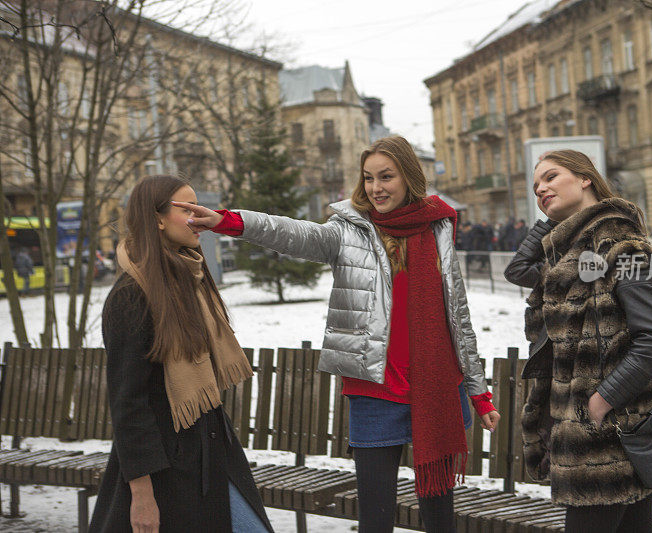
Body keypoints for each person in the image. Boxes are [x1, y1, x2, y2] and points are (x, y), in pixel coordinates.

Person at [178, 136, 500, 533]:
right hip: (376, 389)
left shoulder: (437, 228)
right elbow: (293, 233)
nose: (376, 187)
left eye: (386, 176)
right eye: (368, 178)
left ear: (409, 177)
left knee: (439, 515)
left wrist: (478, 391)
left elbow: (458, 317)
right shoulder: (348, 232)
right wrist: (230, 221)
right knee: (375, 518)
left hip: (437, 387)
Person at [503, 150, 652, 533]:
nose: (541, 188)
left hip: (606, 435)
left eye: (551, 177)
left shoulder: (622, 244)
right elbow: (516, 269)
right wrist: (549, 221)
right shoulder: (571, 255)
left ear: (585, 178)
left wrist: (598, 403)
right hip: (593, 437)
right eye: (536, 186)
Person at [89, 175, 273, 533]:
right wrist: (142, 495)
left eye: (197, 207)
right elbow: (128, 405)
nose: (198, 217)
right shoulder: (131, 296)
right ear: (157, 219)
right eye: (186, 209)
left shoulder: (192, 277)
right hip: (165, 470)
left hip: (214, 455)